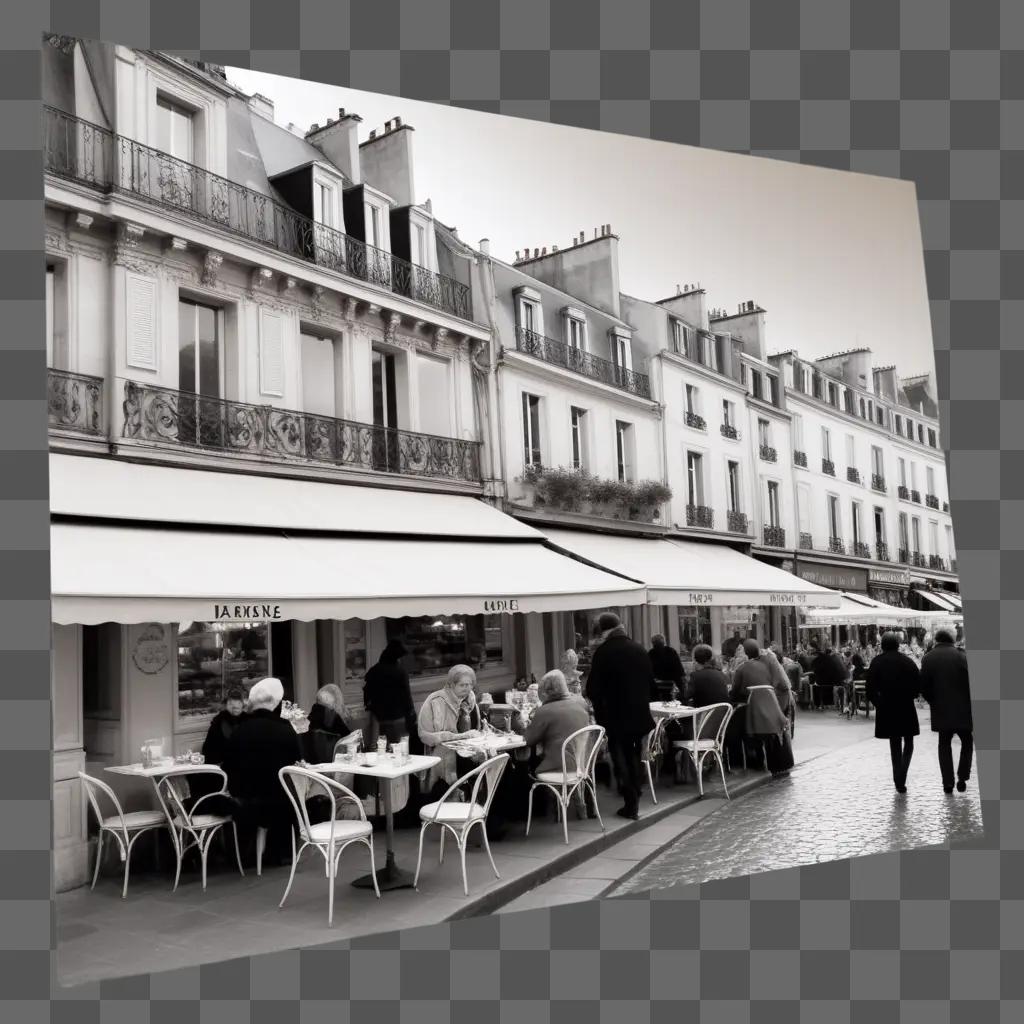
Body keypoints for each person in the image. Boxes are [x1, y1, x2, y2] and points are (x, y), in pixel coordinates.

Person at [218, 677, 302, 867]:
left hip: (244, 802)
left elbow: (228, 765)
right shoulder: (285, 730)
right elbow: (295, 764)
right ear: (275, 704)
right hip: (277, 803)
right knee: (290, 795)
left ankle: (244, 853)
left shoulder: (239, 731)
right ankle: (282, 853)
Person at [585, 612, 657, 820]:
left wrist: (601, 710)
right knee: (634, 754)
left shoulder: (603, 652)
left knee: (620, 756)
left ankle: (631, 801)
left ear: (603, 631)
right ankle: (636, 789)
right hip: (640, 714)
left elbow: (592, 689)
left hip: (615, 716)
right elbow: (652, 685)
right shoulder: (639, 649)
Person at [865, 631, 921, 794]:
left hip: (887, 707)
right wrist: (910, 695)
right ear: (898, 645)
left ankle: (898, 777)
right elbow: (917, 685)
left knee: (894, 742)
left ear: (882, 645)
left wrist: (879, 703)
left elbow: (870, 689)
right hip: (905, 706)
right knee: (909, 741)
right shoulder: (907, 661)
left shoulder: (877, 662)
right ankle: (902, 774)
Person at [919, 628, 974, 794]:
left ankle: (947, 782)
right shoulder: (963, 656)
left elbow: (923, 686)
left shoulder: (928, 658)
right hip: (964, 709)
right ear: (952, 639)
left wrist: (933, 701)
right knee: (967, 741)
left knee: (944, 744)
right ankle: (963, 776)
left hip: (941, 709)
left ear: (936, 640)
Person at [417, 664, 483, 791]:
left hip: (468, 751)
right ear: (452, 684)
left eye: (469, 685)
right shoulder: (436, 700)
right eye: (462, 685)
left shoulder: (470, 698)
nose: (467, 688)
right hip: (442, 755)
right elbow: (425, 736)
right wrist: (461, 736)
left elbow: (476, 728)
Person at [730, 640, 790, 776]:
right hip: (772, 706)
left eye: (740, 651)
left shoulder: (742, 668)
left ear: (745, 653)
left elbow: (735, 691)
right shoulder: (765, 665)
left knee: (736, 725)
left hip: (754, 710)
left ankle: (747, 762)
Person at [362, 640, 415, 748]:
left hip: (380, 717)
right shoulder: (400, 672)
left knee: (384, 748)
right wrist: (411, 715)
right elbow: (406, 696)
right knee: (398, 749)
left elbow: (367, 693)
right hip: (397, 717)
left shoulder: (374, 670)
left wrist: (370, 707)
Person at [303, 684, 354, 765]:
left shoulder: (311, 715)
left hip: (312, 762)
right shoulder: (333, 716)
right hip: (333, 761)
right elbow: (349, 737)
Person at [201, 688, 247, 766]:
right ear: (227, 705)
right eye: (231, 704)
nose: (235, 707)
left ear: (242, 704)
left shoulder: (248, 719)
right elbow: (209, 750)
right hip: (222, 763)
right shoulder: (219, 721)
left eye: (238, 703)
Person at [648, 633, 685, 701]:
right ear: (664, 642)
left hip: (657, 686)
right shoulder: (671, 652)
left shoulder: (650, 653)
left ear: (653, 644)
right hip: (672, 684)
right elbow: (678, 669)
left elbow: (648, 670)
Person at [811, 643, 847, 710]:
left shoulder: (818, 660)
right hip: (836, 681)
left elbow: (816, 672)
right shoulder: (833, 658)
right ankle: (827, 702)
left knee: (815, 685)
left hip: (827, 682)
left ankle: (818, 704)